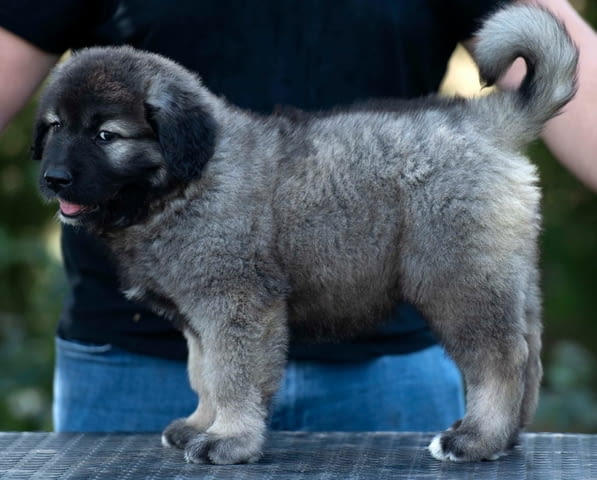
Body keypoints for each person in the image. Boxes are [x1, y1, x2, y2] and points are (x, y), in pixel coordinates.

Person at [0, 0, 595, 433]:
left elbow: (560, 77)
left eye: (105, 135)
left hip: (386, 368)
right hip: (132, 367)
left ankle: (492, 412)